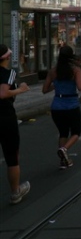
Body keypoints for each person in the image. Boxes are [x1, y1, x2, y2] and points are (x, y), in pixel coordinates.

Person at [42, 46, 81, 169]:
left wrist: (55, 85)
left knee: (63, 132)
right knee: (76, 132)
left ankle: (63, 161)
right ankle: (64, 149)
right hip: (72, 104)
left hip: (57, 106)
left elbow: (44, 90)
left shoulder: (53, 71)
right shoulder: (75, 70)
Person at [0, 45, 31, 204]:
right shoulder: (9, 73)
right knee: (12, 156)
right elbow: (3, 93)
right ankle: (15, 192)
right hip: (5, 117)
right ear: (6, 58)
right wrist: (21, 89)